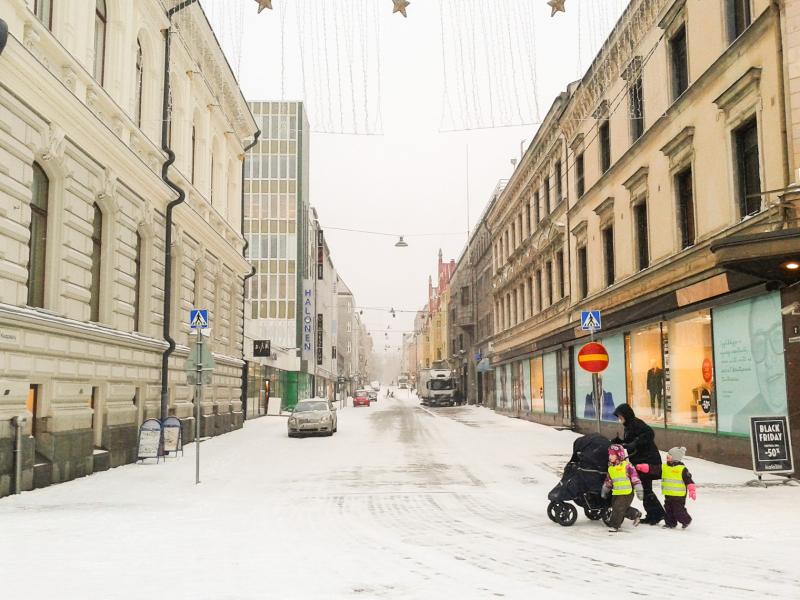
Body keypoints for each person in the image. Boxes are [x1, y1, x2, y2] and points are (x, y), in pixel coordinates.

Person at [612, 403, 666, 525]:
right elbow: (630, 441)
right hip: (640, 461)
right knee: (645, 489)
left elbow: (649, 434)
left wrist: (635, 443)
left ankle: (657, 514)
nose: (620, 419)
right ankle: (654, 514)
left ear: (626, 415)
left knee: (645, 489)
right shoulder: (629, 426)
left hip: (648, 460)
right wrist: (620, 442)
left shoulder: (636, 423)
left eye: (621, 417)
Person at [635, 446, 696, 529]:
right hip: (668, 494)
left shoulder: (682, 469)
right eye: (668, 454)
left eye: (670, 455)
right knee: (668, 510)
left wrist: (692, 490)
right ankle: (670, 523)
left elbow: (689, 481)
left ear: (676, 457)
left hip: (679, 496)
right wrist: (643, 467)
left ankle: (686, 520)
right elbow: (654, 469)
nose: (667, 456)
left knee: (678, 510)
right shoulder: (664, 467)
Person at [601, 444, 643, 532]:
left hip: (627, 492)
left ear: (619, 455)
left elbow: (635, 479)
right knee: (620, 508)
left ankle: (614, 525)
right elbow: (609, 481)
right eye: (609, 454)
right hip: (616, 492)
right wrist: (605, 490)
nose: (610, 456)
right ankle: (635, 514)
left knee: (618, 508)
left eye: (612, 455)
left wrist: (639, 490)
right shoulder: (611, 468)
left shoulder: (627, 466)